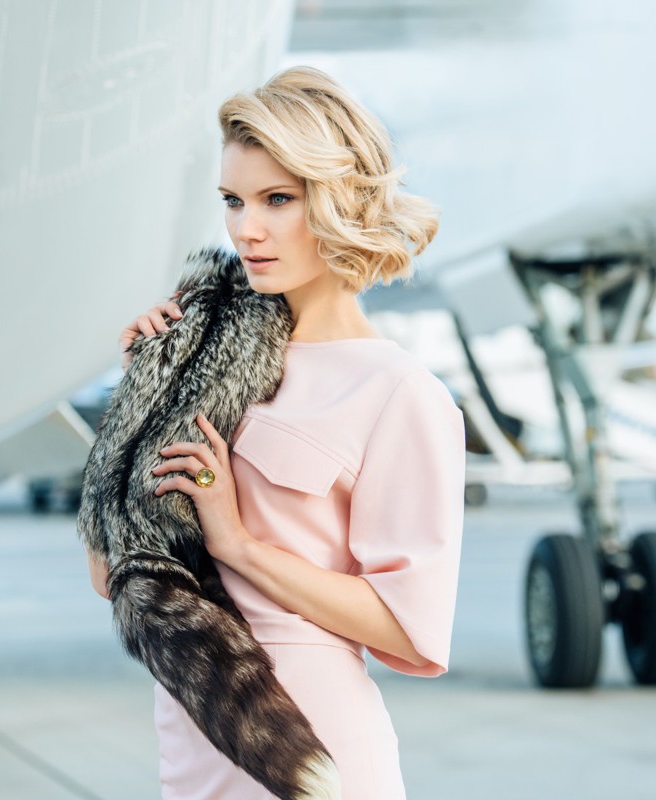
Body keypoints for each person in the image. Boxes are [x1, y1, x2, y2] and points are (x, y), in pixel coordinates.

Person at [86, 65, 466, 800]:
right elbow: (112, 578)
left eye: (278, 199)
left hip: (316, 741)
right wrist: (139, 399)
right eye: (233, 201)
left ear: (339, 200)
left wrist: (238, 545)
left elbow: (409, 628)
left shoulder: (397, 392)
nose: (246, 230)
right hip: (196, 743)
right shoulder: (205, 361)